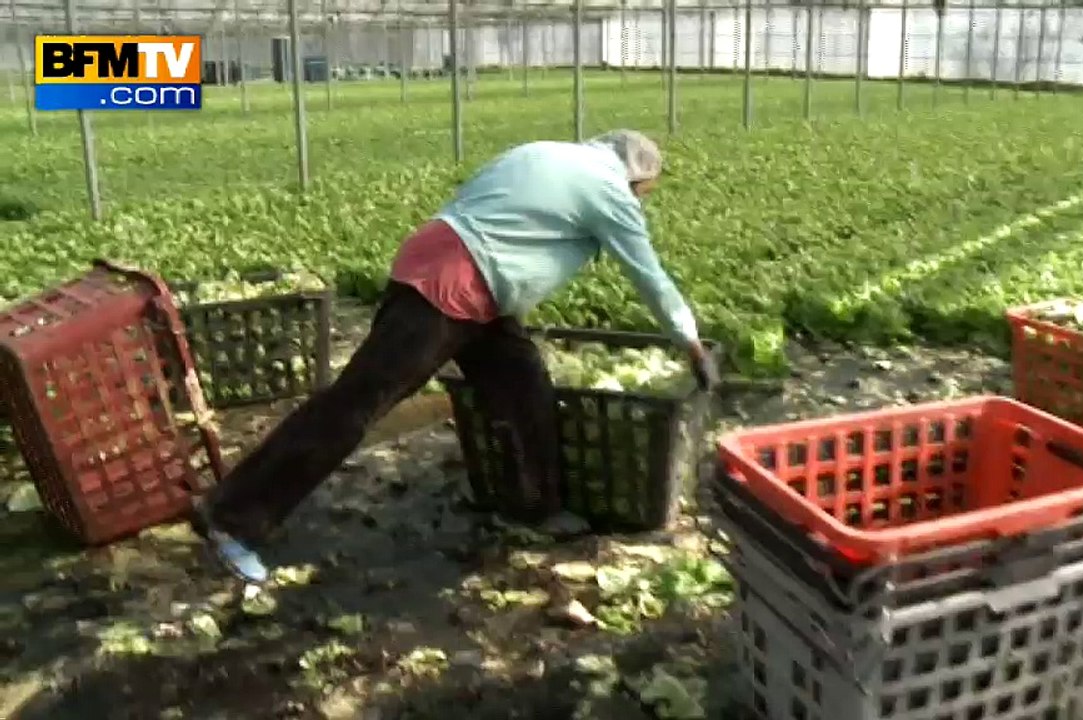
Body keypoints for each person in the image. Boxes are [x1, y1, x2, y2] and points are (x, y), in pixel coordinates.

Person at [191, 129, 720, 583]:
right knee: (357, 405)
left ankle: (532, 506)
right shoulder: (607, 188)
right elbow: (647, 273)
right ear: (634, 178)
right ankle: (232, 517)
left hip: (471, 286)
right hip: (452, 286)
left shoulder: (547, 151)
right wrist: (689, 340)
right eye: (645, 193)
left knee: (523, 386)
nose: (642, 202)